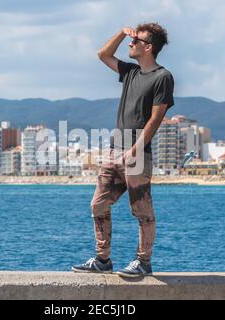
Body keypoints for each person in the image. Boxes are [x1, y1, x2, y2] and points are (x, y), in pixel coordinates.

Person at [72, 23, 175, 277]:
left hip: (137, 154)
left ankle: (143, 262)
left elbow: (156, 118)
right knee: (98, 204)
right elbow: (103, 54)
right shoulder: (130, 72)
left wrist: (137, 150)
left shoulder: (163, 77)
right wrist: (121, 32)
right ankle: (102, 260)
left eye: (135, 41)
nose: (130, 44)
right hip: (114, 151)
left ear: (148, 47)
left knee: (142, 211)